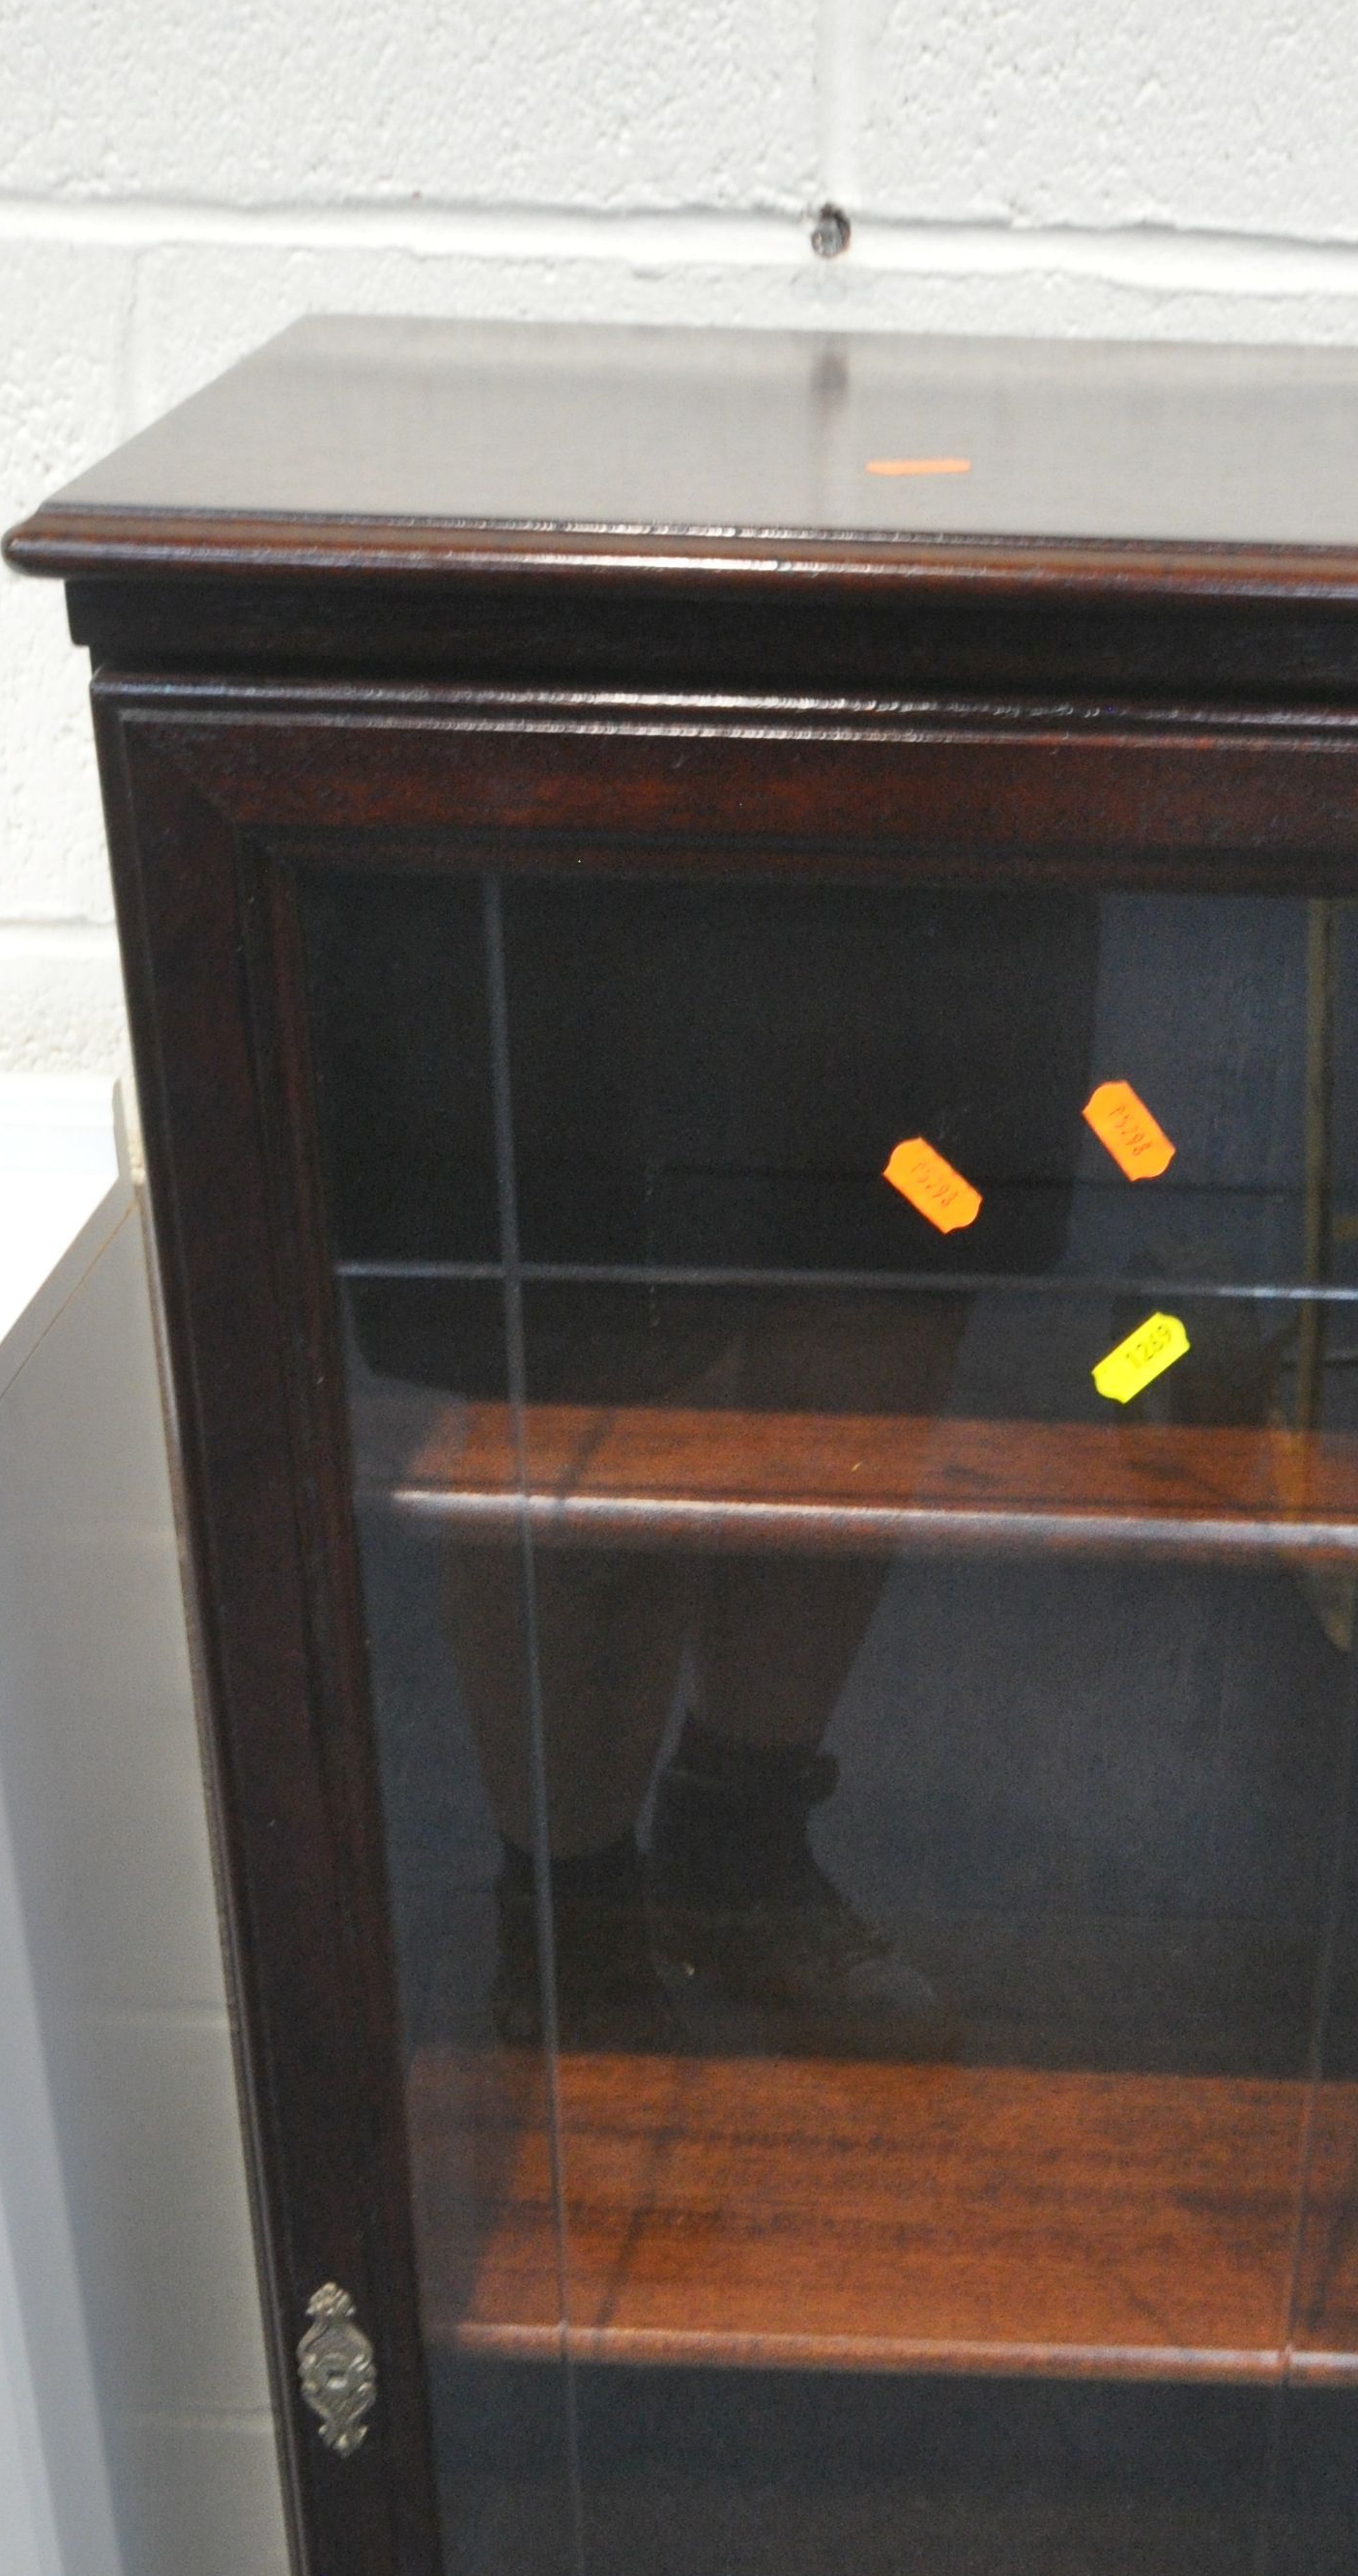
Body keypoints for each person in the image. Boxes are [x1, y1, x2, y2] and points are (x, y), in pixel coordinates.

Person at [317, 871, 1103, 2056]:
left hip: (947, 762)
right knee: (590, 1366)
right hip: (603, 789)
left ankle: (741, 1848)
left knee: (879, 1299)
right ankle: (567, 1927)